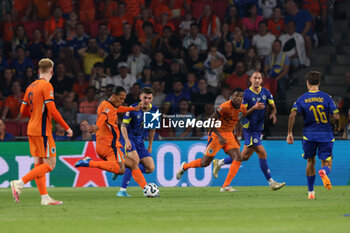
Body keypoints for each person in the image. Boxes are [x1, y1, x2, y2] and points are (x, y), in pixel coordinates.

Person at [10, 58, 73, 205]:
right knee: (50, 164)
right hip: (43, 131)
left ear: (39, 71)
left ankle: (45, 198)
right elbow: (52, 110)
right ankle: (19, 182)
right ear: (51, 71)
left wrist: (35, 113)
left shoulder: (30, 86)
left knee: (39, 165)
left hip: (31, 129)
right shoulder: (47, 86)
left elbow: (22, 111)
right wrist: (66, 127)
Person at [176, 88, 265, 191]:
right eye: (236, 96)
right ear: (232, 97)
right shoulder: (225, 106)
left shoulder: (242, 108)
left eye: (240, 96)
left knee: (238, 157)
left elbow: (239, 118)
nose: (238, 98)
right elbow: (210, 121)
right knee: (205, 163)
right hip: (216, 135)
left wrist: (236, 134)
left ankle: (225, 186)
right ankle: (185, 166)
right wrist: (219, 136)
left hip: (229, 135)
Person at [213, 72, 285, 191]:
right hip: (249, 129)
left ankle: (219, 162)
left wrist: (273, 114)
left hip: (258, 129)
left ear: (261, 80)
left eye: (259, 78)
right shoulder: (245, 95)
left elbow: (273, 107)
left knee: (243, 157)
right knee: (262, 153)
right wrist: (254, 108)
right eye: (255, 78)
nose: (257, 80)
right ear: (250, 80)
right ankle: (272, 182)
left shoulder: (266, 92)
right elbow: (241, 114)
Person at [74, 86, 149, 192]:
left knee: (129, 165)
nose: (122, 101)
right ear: (114, 96)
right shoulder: (107, 108)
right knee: (121, 168)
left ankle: (146, 188)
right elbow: (103, 116)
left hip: (103, 145)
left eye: (124, 99)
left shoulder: (108, 105)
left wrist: (132, 108)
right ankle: (89, 162)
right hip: (109, 145)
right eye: (121, 98)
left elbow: (118, 109)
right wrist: (97, 126)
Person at [287, 71, 339, 199]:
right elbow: (336, 115)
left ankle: (311, 193)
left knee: (310, 161)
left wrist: (289, 133)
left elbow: (292, 115)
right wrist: (336, 124)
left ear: (307, 83)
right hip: (326, 134)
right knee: (327, 163)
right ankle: (323, 172)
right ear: (319, 83)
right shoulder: (327, 97)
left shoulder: (302, 98)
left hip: (309, 135)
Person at [116, 87, 157, 197]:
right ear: (140, 97)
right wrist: (127, 141)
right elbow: (123, 126)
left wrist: (150, 145)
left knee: (150, 167)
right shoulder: (133, 108)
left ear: (152, 98)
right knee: (135, 161)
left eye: (149, 98)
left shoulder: (154, 110)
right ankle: (122, 191)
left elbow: (152, 129)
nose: (147, 100)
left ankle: (122, 168)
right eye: (145, 97)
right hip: (129, 138)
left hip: (140, 142)